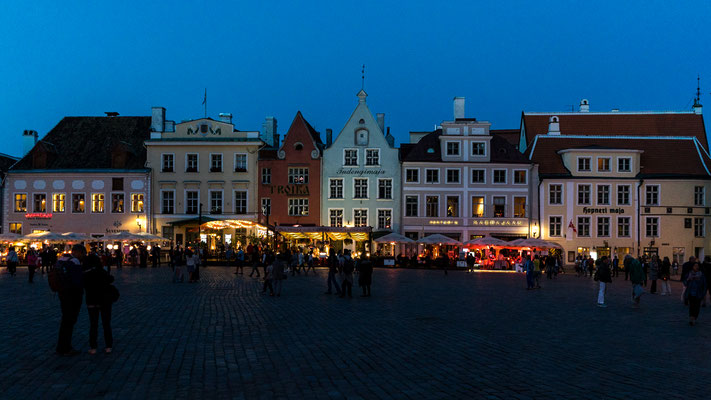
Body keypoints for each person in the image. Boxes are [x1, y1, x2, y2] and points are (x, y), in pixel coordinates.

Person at [55, 244, 86, 356]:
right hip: (72, 295)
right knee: (69, 321)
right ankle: (65, 347)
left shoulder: (61, 259)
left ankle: (61, 346)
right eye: (83, 253)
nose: (84, 256)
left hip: (62, 293)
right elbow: (78, 281)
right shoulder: (75, 262)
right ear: (78, 252)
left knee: (65, 320)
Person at [84, 249, 114, 354]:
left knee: (93, 324)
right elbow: (111, 279)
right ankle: (108, 346)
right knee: (106, 323)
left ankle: (93, 347)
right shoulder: (102, 271)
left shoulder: (86, 273)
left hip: (91, 300)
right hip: (104, 300)